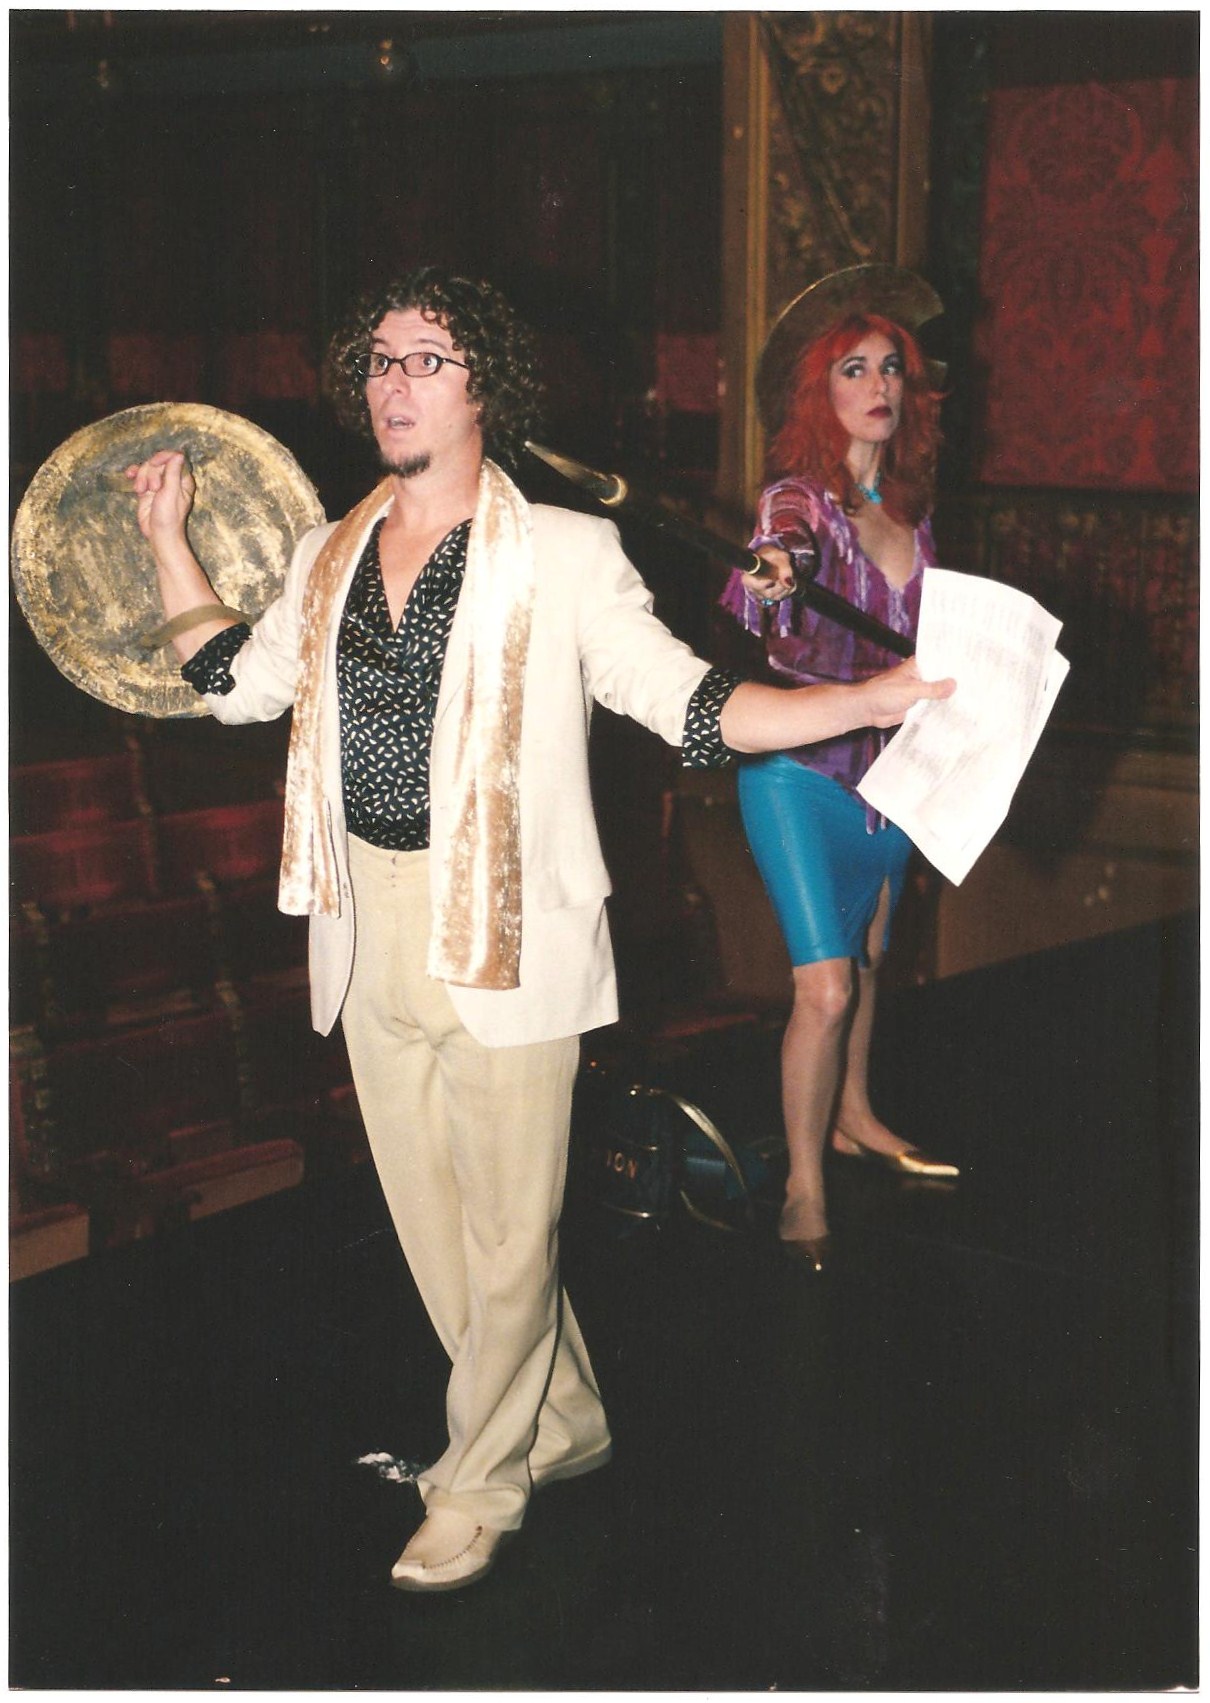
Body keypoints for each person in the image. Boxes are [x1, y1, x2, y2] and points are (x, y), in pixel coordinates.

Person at [126, 265, 953, 1592]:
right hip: (362, 915)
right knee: (435, 1226)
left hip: (507, 927)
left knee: (512, 1231)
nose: (395, 382)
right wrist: (168, 536)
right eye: (380, 358)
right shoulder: (325, 550)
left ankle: (478, 1481)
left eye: (428, 358)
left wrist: (860, 701)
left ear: (485, 389)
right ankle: (560, 1419)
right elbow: (234, 681)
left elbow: (688, 702)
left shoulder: (567, 551)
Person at [720, 264, 962, 1275]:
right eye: (853, 368)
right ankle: (803, 1185)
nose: (878, 384)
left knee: (865, 960)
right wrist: (779, 568)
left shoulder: (908, 512)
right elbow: (782, 553)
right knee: (821, 989)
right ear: (820, 391)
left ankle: (855, 1115)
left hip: (891, 781)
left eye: (891, 367)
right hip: (800, 774)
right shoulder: (800, 501)